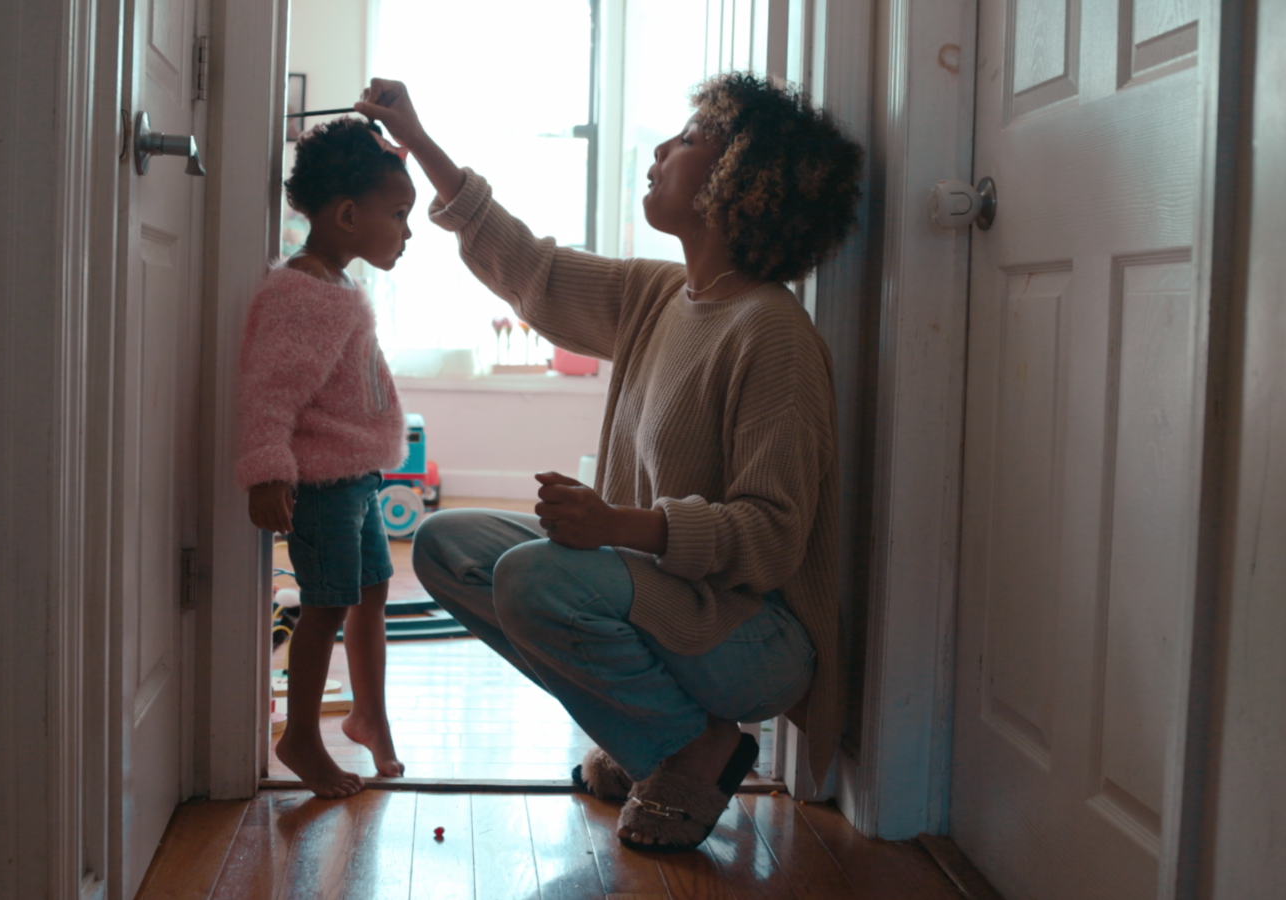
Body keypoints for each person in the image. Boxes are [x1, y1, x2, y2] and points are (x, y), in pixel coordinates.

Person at [355, 72, 862, 850]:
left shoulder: (775, 335)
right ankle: (654, 742)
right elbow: (529, 268)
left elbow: (771, 537)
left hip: (755, 639)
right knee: (445, 545)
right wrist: (417, 140)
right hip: (669, 598)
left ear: (742, 180)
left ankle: (691, 750)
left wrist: (618, 525)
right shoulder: (658, 295)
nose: (661, 152)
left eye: (689, 139)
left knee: (533, 578)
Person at [236, 117, 415, 798]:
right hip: (323, 484)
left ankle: (369, 717)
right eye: (398, 215)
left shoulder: (337, 286)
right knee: (327, 604)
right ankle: (301, 738)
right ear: (347, 215)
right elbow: (269, 390)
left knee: (371, 592)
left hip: (356, 478)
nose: (406, 231)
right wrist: (267, 472)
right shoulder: (303, 293)